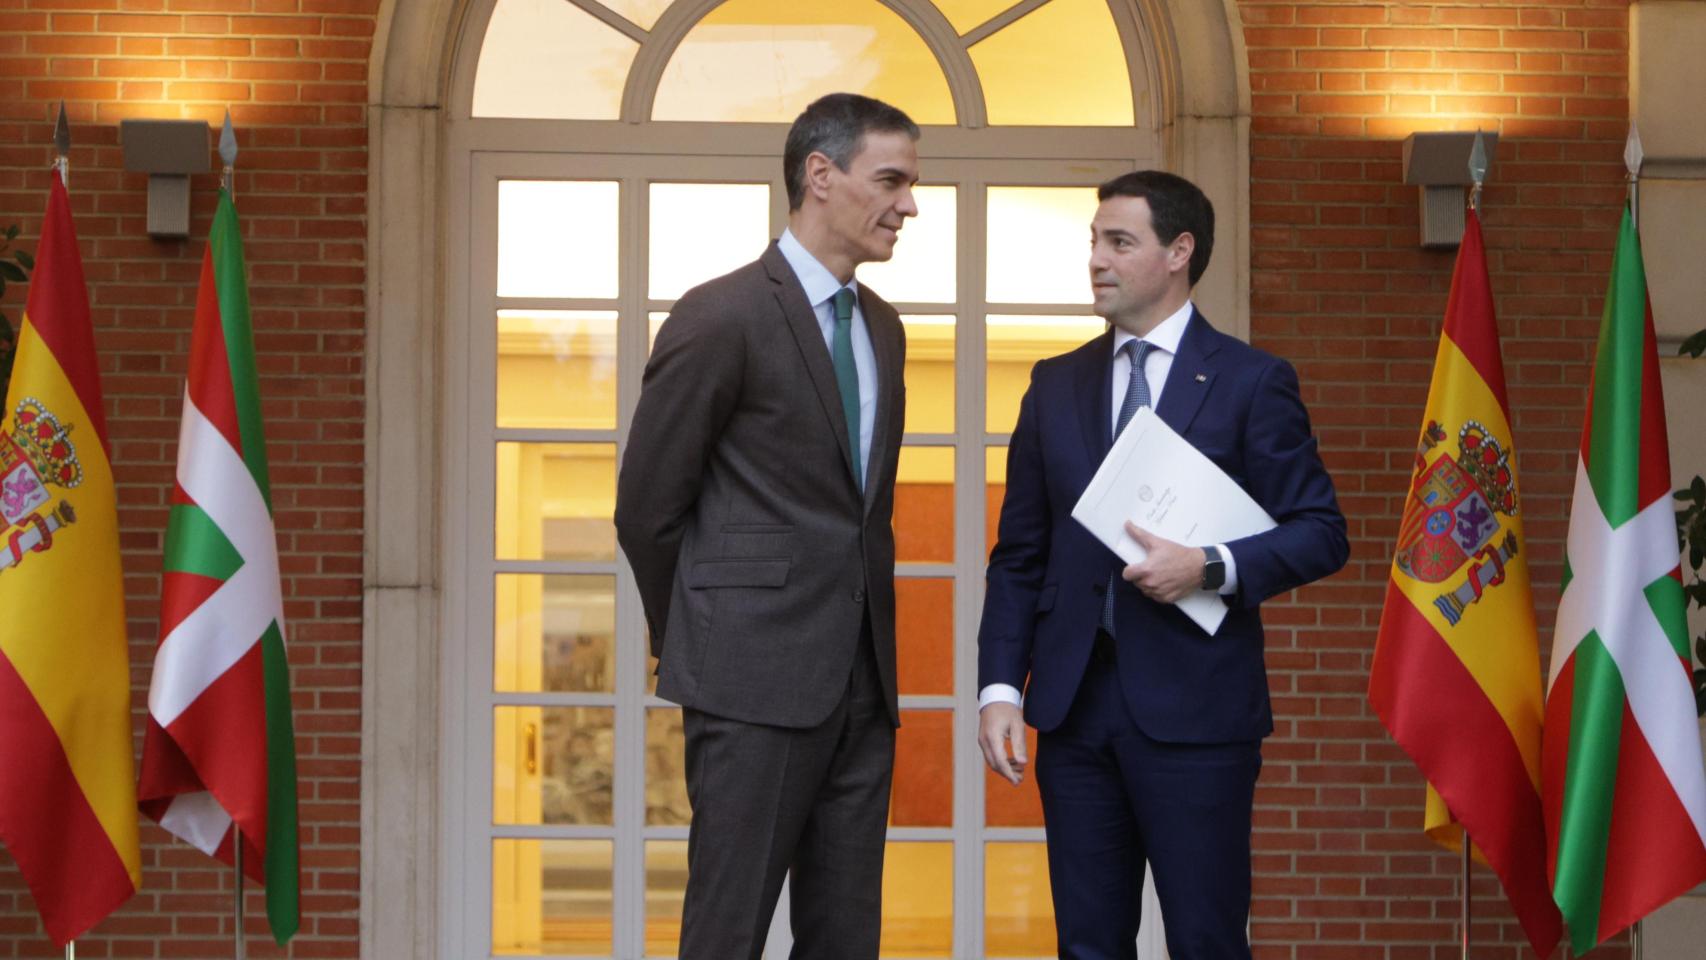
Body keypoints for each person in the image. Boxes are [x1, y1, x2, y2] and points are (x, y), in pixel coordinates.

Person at [976, 170, 1348, 959]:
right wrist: (1001, 688)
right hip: (1073, 713)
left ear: (1179, 252)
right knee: (1086, 944)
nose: (1097, 260)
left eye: (1120, 242)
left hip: (1199, 716)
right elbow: (1018, 556)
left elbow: (1321, 532)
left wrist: (1209, 566)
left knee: (1207, 941)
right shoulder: (1054, 385)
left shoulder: (1252, 381)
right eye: (1094, 241)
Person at [614, 92, 919, 960]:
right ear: (819, 177)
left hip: (863, 690)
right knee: (727, 932)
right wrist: (702, 643)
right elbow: (647, 509)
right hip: (747, 685)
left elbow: (863, 514)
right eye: (890, 180)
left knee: (844, 936)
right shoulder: (721, 314)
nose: (909, 205)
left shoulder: (885, 331)